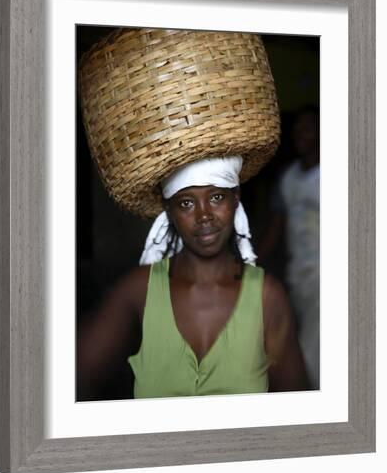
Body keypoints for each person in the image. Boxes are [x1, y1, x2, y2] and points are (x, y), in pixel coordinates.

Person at [77, 157, 310, 399]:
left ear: (236, 198)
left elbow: (300, 410)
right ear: (169, 211)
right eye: (186, 203)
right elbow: (72, 378)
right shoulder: (140, 290)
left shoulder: (266, 298)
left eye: (216, 197)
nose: (204, 215)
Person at [257, 107, 320, 389]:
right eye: (297, 130)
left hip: (329, 275)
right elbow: (275, 229)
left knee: (313, 345)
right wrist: (251, 262)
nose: (300, 136)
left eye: (308, 129)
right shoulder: (288, 178)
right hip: (299, 276)